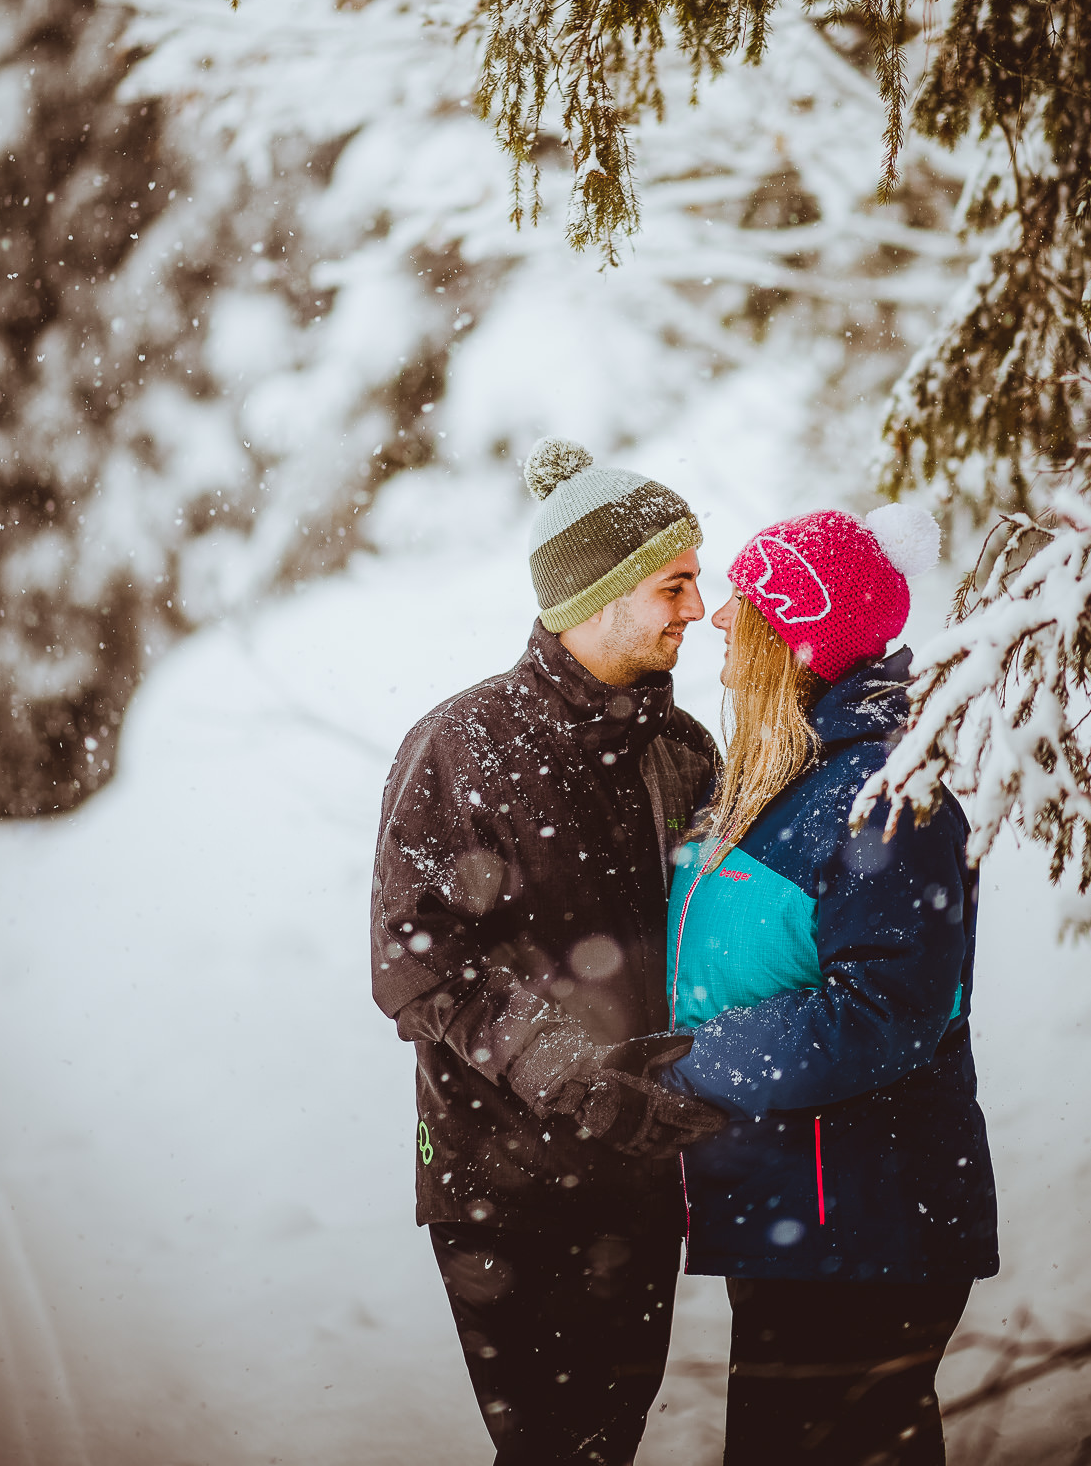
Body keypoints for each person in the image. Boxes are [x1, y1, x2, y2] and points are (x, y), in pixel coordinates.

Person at [371, 437, 727, 1466]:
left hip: (638, 1178)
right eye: (674, 583)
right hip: (500, 1178)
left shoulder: (681, 750)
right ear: (600, 590)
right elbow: (414, 962)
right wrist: (570, 1072)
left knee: (606, 1445)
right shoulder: (459, 745)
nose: (695, 608)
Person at [659, 504, 1000, 1465]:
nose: (720, 620)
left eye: (744, 603)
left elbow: (885, 1011)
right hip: (793, 1208)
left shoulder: (884, 792)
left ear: (798, 643)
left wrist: (690, 1063)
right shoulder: (783, 773)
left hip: (864, 1220)